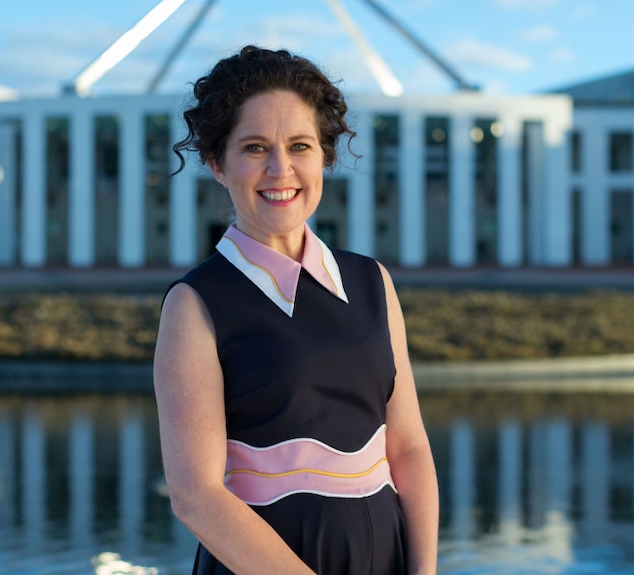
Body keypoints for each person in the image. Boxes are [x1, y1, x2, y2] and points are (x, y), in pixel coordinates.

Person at [153, 45, 438, 575]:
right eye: (255, 147)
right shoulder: (195, 304)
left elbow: (409, 448)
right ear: (217, 163)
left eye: (300, 145)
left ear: (324, 157)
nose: (280, 169)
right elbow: (194, 495)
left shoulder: (372, 281)